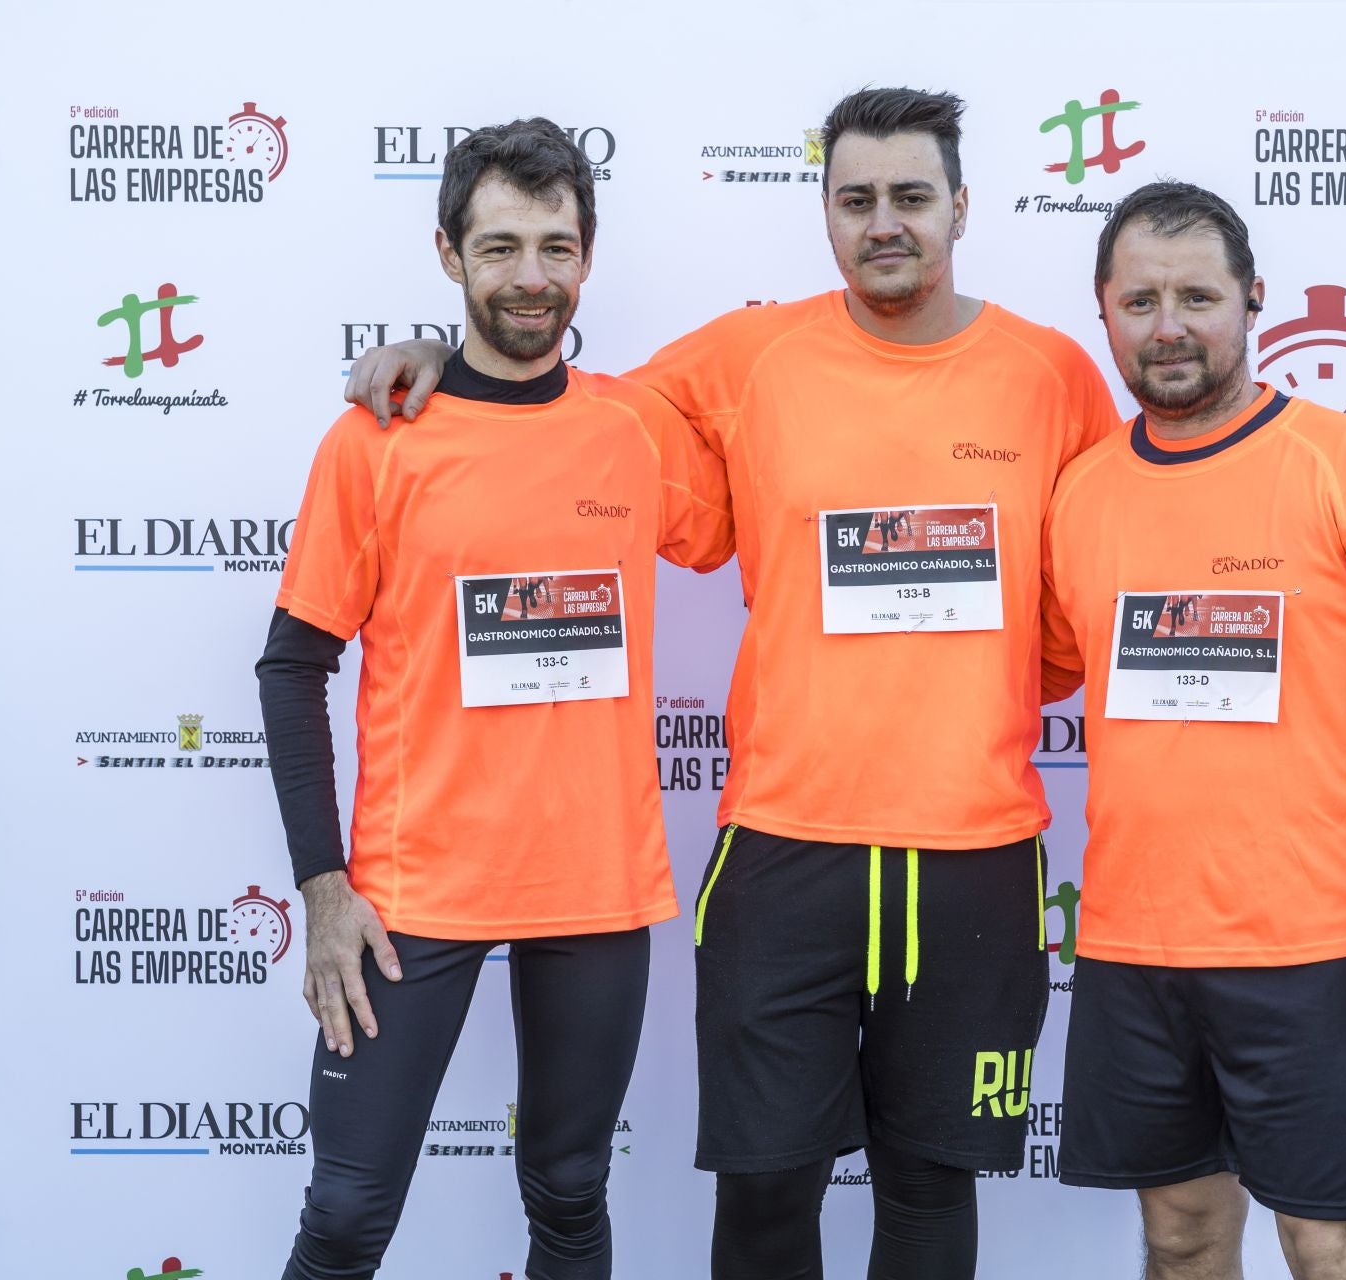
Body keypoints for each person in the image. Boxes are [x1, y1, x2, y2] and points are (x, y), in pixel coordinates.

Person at [346, 87, 1121, 1280]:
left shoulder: (1053, 375)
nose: (884, 223)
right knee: (767, 1191)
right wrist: (441, 358)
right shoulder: (753, 355)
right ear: (822, 213)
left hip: (977, 850)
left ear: (961, 206)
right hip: (781, 849)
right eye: (855, 199)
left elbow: (1087, 603)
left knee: (930, 1190)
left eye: (912, 196)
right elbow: (559, 402)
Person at [256, 118, 731, 1280]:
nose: (532, 276)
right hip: (412, 891)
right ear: (448, 253)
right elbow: (291, 666)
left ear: (588, 256)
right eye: (502, 246)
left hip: (596, 887)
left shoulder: (633, 426)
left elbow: (762, 474)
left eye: (557, 248)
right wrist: (323, 885)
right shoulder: (377, 441)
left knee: (570, 1193)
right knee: (349, 1212)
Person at [1039, 182, 1346, 1280]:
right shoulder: (1082, 493)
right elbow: (1039, 668)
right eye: (1140, 300)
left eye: (1198, 296)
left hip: (1317, 953)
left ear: (1254, 304)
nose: (1169, 326)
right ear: (1104, 311)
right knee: (1181, 1238)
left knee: (1332, 1248)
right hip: (1136, 949)